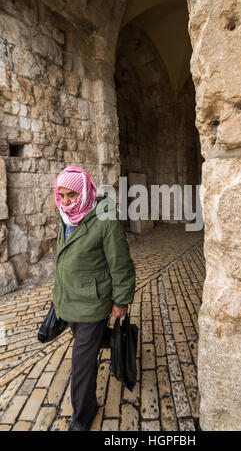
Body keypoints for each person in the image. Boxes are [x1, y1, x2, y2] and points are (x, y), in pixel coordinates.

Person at [52, 166, 136, 431]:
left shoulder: (105, 219)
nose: (65, 202)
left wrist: (121, 300)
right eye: (60, 195)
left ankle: (83, 416)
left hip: (92, 302)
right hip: (69, 299)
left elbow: (120, 263)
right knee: (87, 341)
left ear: (85, 192)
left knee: (82, 363)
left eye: (71, 196)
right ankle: (114, 338)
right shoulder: (66, 216)